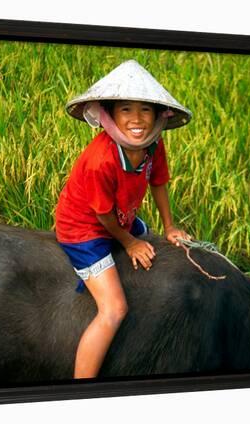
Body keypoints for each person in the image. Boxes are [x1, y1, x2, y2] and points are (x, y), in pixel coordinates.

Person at [55, 59, 193, 379]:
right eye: (126, 109)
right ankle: (80, 386)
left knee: (154, 240)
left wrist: (170, 226)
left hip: (122, 216)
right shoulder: (100, 159)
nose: (136, 119)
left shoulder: (152, 146)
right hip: (85, 227)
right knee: (114, 310)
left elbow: (158, 182)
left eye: (145, 110)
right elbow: (101, 214)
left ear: (159, 116)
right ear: (110, 114)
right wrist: (130, 242)